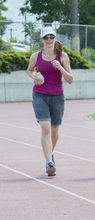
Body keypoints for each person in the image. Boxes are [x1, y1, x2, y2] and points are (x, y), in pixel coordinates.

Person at [26, 27, 73, 176]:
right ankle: (49, 162)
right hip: (39, 95)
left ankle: (50, 152)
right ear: (41, 40)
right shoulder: (36, 56)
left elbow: (70, 79)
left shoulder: (63, 56)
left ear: (55, 38)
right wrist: (34, 78)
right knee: (45, 127)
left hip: (57, 96)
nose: (49, 40)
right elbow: (29, 70)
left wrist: (60, 68)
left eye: (51, 37)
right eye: (46, 37)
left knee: (54, 132)